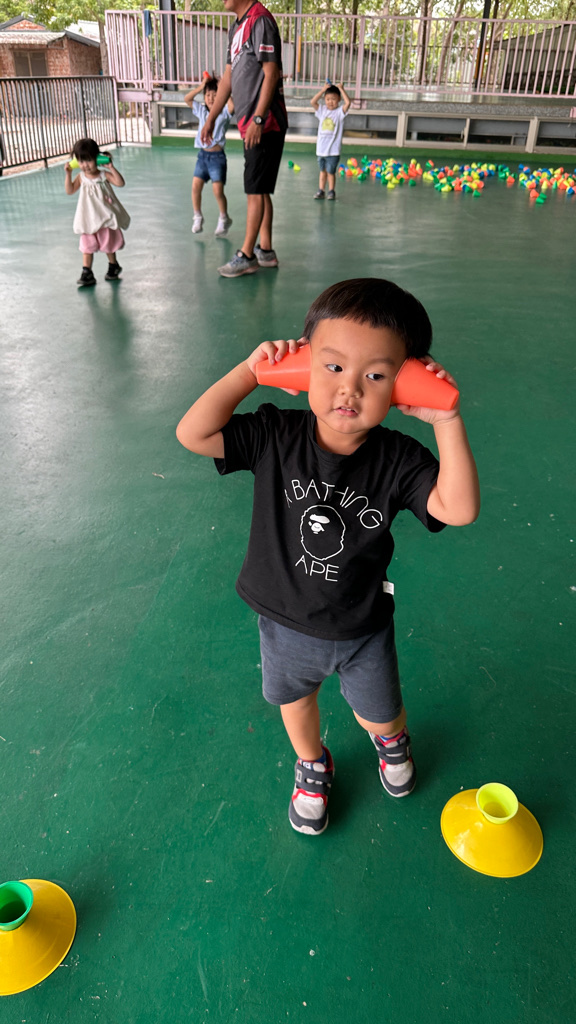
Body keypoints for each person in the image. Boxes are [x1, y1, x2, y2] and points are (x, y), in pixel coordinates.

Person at [176, 278, 480, 835]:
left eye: (377, 376)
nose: (350, 390)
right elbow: (193, 433)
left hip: (362, 628)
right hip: (284, 623)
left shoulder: (399, 459)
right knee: (295, 705)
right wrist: (250, 372)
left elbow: (457, 509)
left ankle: (391, 741)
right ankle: (313, 764)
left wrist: (447, 419)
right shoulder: (274, 433)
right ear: (304, 365)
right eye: (333, 366)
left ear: (405, 381)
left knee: (377, 714)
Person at [199, 0, 288, 278]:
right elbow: (228, 77)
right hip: (250, 122)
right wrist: (211, 118)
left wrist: (259, 119)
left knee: (255, 190)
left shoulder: (260, 21)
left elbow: (271, 73)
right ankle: (266, 250)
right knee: (260, 188)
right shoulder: (237, 27)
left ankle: (247, 255)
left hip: (265, 124)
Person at [65, 138, 129, 288]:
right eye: (81, 161)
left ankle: (113, 265)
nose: (85, 165)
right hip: (87, 218)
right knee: (86, 246)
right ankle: (86, 271)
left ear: (97, 158)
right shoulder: (81, 177)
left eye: (88, 160)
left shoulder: (104, 176)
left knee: (108, 244)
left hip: (104, 218)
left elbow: (120, 183)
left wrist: (111, 168)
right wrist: (68, 174)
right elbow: (70, 190)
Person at [184, 76, 234, 236]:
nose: (211, 98)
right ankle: (197, 216)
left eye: (215, 95)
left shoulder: (223, 113)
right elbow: (187, 99)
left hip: (217, 159)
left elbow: (232, 105)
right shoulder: (201, 111)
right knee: (195, 187)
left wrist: (223, 87)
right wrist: (201, 87)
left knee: (217, 191)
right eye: (207, 95)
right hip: (202, 157)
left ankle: (224, 218)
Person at [310, 82, 351, 200]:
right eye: (328, 99)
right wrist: (323, 90)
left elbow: (348, 103)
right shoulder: (322, 110)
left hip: (333, 151)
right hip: (321, 150)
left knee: (331, 172)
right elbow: (313, 102)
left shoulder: (339, 113)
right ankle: (321, 190)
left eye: (333, 99)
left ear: (339, 99)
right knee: (322, 171)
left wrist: (341, 89)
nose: (330, 102)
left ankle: (331, 191)